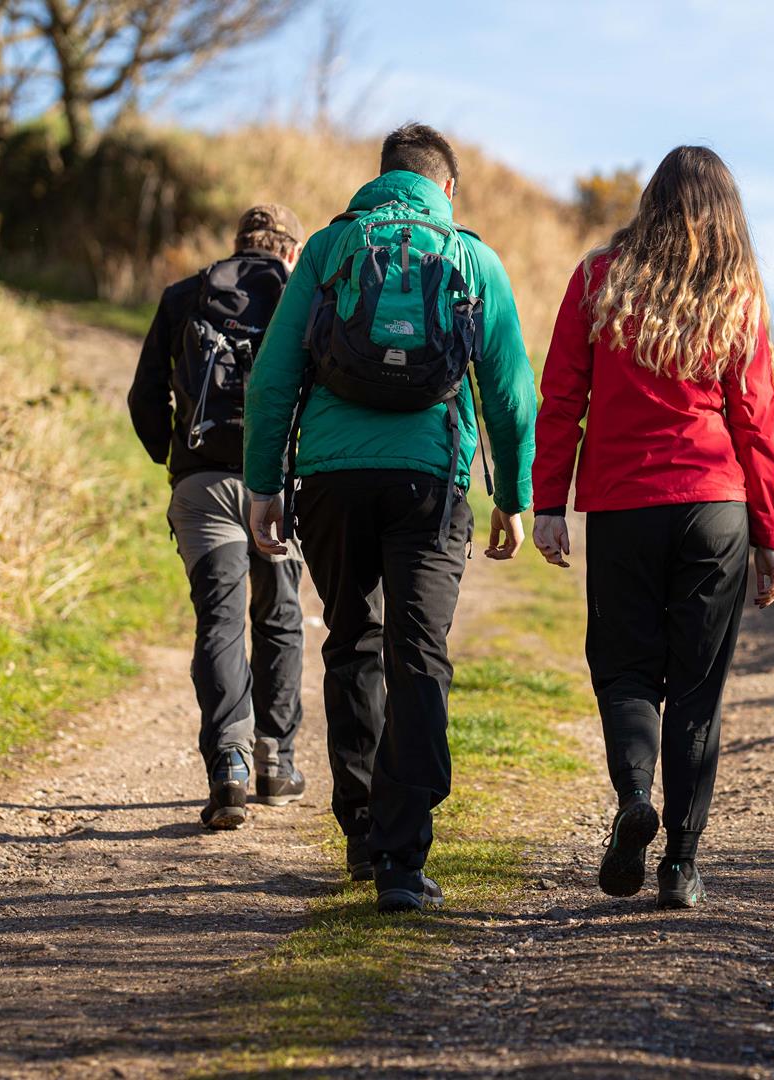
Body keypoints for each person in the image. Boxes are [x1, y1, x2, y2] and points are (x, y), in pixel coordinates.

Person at [243, 123, 537, 913]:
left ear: (381, 180)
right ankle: (404, 856)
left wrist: (263, 484)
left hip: (333, 476)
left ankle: (362, 832)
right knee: (420, 651)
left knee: (353, 642)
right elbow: (511, 392)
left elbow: (274, 374)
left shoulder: (333, 249)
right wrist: (513, 494)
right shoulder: (472, 257)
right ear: (447, 189)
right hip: (431, 480)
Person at [532, 145, 774, 910]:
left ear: (651, 202)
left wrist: (548, 502)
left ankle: (635, 795)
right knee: (699, 690)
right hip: (716, 509)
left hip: (623, 508)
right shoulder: (736, 295)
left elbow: (561, 397)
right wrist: (768, 536)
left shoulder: (597, 280)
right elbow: (757, 421)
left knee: (627, 671)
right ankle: (680, 864)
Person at [128, 204, 308, 830]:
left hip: (203, 483)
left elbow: (144, 395)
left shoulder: (186, 295)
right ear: (290, 251)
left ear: (238, 245)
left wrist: (176, 458)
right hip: (281, 486)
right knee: (280, 618)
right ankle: (276, 761)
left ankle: (227, 764)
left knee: (221, 622)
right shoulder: (303, 295)